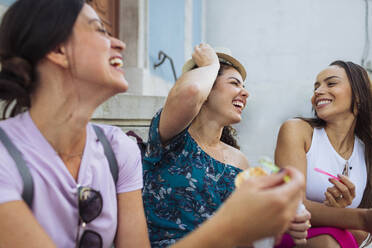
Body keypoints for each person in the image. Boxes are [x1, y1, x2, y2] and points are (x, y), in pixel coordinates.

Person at [0, 0, 306, 247]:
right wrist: (232, 227)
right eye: (99, 31)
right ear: (57, 50)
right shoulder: (5, 157)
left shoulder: (117, 149)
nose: (119, 43)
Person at [142, 44, 310, 247]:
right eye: (234, 83)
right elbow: (191, 90)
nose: (245, 93)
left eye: (244, 86)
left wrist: (287, 224)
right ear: (207, 89)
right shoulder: (171, 137)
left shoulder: (239, 160)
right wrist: (211, 63)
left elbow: (246, 232)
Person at [275, 60, 372, 247]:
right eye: (316, 87)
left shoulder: (367, 150)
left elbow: (361, 235)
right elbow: (294, 204)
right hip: (297, 235)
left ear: (359, 95)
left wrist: (336, 213)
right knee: (328, 240)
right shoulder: (297, 130)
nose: (318, 91)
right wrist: (361, 218)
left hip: (344, 239)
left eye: (331, 83)